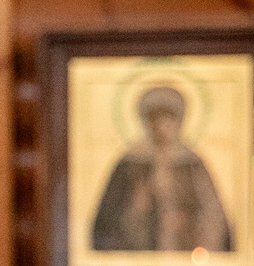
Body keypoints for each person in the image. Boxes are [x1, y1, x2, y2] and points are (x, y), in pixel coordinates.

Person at [90, 82, 235, 254]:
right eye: (155, 118)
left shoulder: (192, 164)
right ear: (145, 121)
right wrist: (135, 210)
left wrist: (187, 224)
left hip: (185, 259)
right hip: (137, 261)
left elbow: (216, 221)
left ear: (179, 120)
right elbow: (104, 229)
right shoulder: (128, 164)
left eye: (169, 118)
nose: (162, 126)